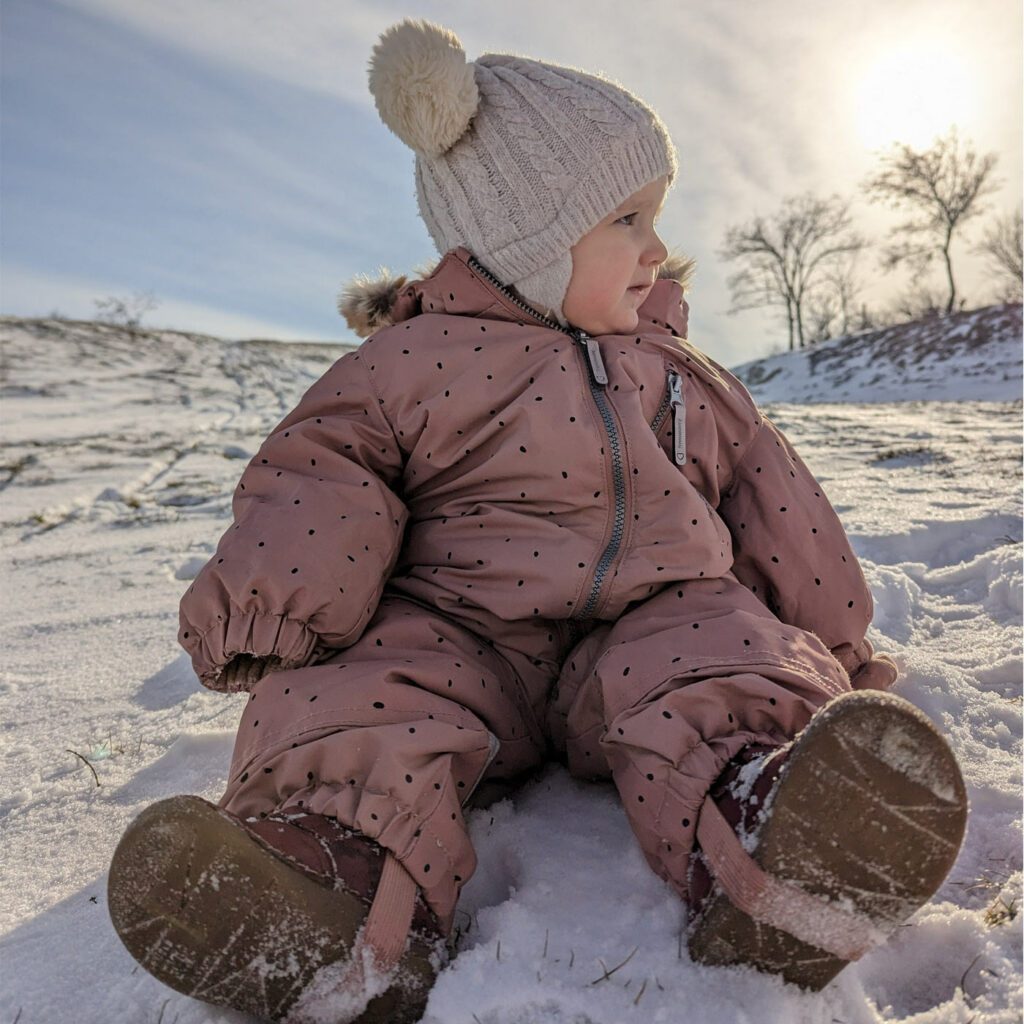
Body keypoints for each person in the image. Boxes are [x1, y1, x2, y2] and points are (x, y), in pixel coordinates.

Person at [107, 19, 968, 1024]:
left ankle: (772, 834)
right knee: (358, 692)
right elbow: (321, 474)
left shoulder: (682, 371)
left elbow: (772, 497)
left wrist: (831, 634)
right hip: (460, 632)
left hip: (649, 621)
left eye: (655, 218)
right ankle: (334, 890)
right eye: (625, 223)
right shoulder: (411, 363)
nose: (656, 251)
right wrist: (268, 608)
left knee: (722, 648)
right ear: (525, 240)